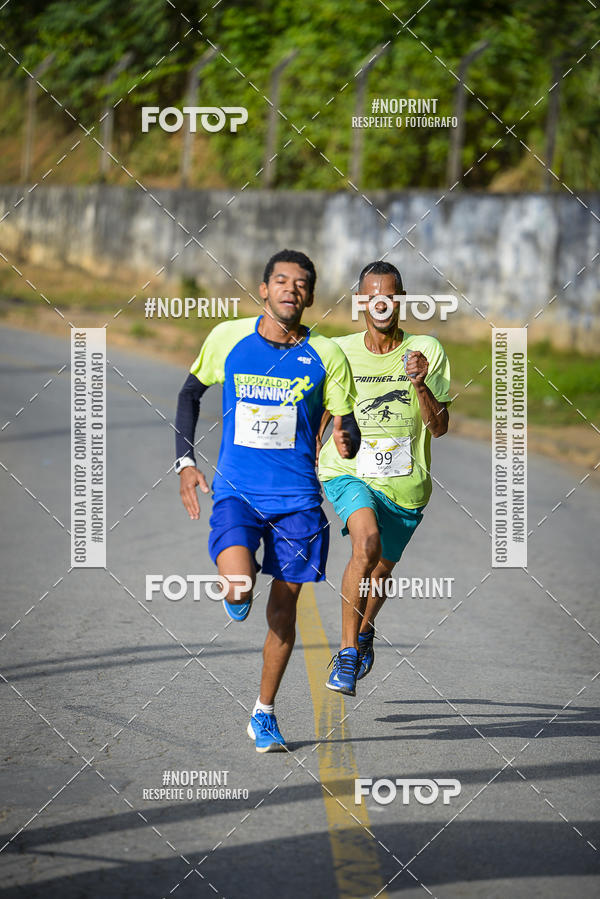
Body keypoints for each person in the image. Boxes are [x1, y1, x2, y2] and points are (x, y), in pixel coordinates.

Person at [174, 249, 360, 751]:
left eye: (300, 284)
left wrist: (349, 440)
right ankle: (239, 593)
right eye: (281, 281)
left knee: (284, 613)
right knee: (237, 585)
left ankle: (264, 713)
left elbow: (347, 423)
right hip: (239, 492)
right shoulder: (228, 337)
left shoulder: (328, 354)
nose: (290, 290)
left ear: (311, 296)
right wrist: (185, 462)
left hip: (299, 500)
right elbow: (189, 394)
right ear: (263, 289)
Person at [317, 260, 451, 697]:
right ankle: (347, 653)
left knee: (380, 572)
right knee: (366, 543)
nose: (380, 302)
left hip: (406, 485)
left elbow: (440, 426)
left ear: (400, 300)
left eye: (389, 294)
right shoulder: (338, 351)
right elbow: (321, 415)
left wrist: (420, 384)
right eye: (372, 294)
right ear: (360, 301)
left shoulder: (426, 350)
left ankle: (366, 629)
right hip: (349, 472)